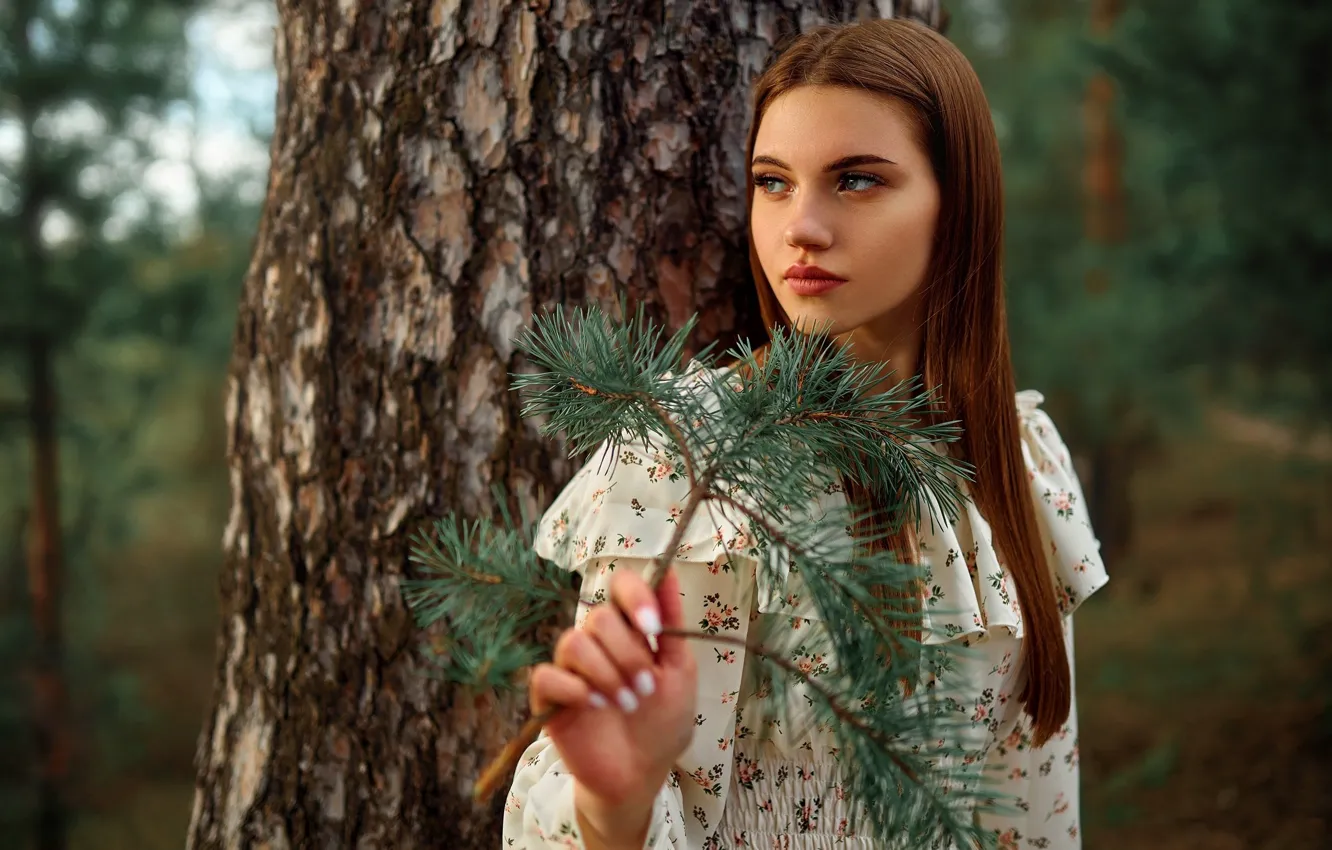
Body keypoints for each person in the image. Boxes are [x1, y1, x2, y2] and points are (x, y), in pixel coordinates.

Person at [502, 17, 1108, 850]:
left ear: (959, 201)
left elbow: (1035, 803)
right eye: (773, 182)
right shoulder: (694, 454)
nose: (801, 227)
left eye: (856, 180)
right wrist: (614, 805)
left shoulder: (1019, 456)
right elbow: (627, 778)